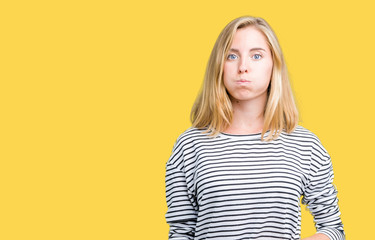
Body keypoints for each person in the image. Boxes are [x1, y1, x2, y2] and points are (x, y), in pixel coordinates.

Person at [164, 16, 345, 240]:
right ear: (219, 66)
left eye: (256, 55)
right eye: (232, 56)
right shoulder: (189, 146)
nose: (243, 67)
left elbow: (333, 229)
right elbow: (181, 233)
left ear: (274, 65)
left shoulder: (306, 145)